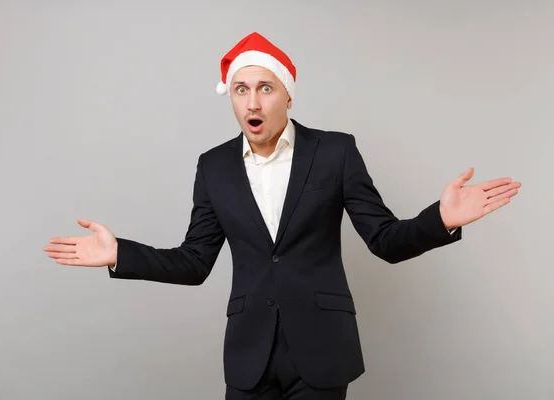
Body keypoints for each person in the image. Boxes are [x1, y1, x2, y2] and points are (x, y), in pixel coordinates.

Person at [43, 32, 521, 399]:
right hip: (249, 356)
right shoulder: (213, 166)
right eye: (241, 89)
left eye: (265, 88)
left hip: (322, 351)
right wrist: (117, 254)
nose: (252, 102)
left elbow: (384, 239)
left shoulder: (334, 152)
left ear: (287, 96)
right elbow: (194, 262)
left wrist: (443, 218)